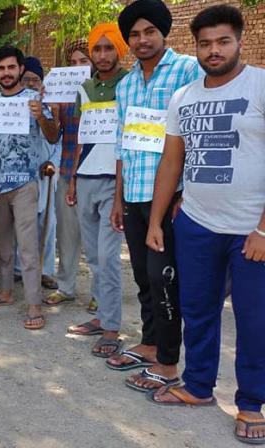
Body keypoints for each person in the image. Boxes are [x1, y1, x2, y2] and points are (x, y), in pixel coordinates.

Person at [145, 5, 265, 444]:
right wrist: (156, 220)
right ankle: (198, 386)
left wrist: (264, 230)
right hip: (196, 223)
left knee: (255, 319)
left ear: (239, 40)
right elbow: (171, 161)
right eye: (205, 44)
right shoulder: (185, 98)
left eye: (222, 41)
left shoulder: (261, 85)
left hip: (251, 229)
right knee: (197, 310)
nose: (213, 51)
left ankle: (251, 402)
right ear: (196, 47)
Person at [104, 0, 202, 394]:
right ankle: (148, 344)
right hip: (134, 194)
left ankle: (167, 362)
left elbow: (197, 137)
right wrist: (117, 199)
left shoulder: (187, 70)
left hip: (171, 196)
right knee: (144, 276)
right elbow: (123, 146)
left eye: (149, 32)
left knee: (165, 278)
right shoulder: (126, 84)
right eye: (134, 34)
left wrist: (186, 194)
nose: (141, 40)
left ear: (164, 32)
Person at [0, 46, 59, 330]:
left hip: (25, 183)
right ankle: (6, 292)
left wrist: (42, 117)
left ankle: (34, 303)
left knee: (28, 248)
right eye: (1, 68)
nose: (6, 73)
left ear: (20, 69)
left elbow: (53, 136)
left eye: (11, 67)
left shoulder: (35, 99)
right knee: (3, 245)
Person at [65, 23, 129, 358]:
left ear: (121, 50)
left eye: (109, 48)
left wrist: (120, 192)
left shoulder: (130, 84)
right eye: (97, 49)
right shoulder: (85, 88)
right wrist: (74, 178)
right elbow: (82, 136)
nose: (102, 55)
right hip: (86, 177)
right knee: (94, 257)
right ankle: (102, 315)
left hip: (113, 181)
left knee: (108, 257)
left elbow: (128, 139)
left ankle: (112, 329)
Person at [44, 39, 93, 310]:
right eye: (72, 62)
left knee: (97, 237)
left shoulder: (104, 92)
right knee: (67, 233)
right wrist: (51, 113)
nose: (77, 67)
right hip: (65, 169)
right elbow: (53, 136)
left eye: (83, 61)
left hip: (96, 172)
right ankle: (66, 286)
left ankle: (100, 292)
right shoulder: (62, 95)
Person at [19, 56, 59, 291]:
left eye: (35, 80)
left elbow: (57, 140)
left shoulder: (50, 107)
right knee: (23, 222)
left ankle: (45, 271)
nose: (31, 83)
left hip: (46, 174)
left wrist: (51, 163)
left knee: (47, 223)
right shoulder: (12, 107)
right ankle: (18, 268)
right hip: (23, 174)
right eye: (27, 79)